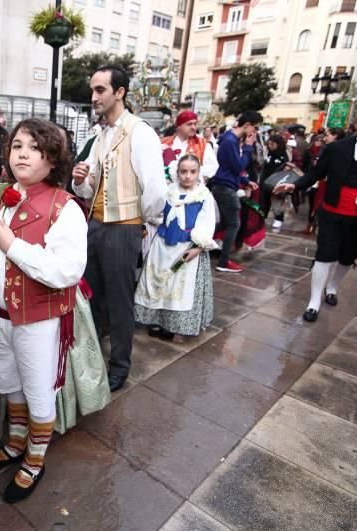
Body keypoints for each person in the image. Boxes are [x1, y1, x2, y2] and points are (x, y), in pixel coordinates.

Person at [0, 118, 86, 502]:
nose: (23, 153)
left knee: (38, 387)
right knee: (9, 380)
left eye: (35, 148)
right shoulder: (2, 195)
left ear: (53, 158)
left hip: (38, 318)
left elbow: (66, 270)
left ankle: (35, 458)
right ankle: (15, 440)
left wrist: (12, 246)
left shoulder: (64, 207)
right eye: (18, 145)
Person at [71, 64, 168, 393]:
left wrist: (139, 222)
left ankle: (120, 366)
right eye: (93, 90)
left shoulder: (140, 132)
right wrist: (80, 181)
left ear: (120, 92)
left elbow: (156, 191)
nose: (94, 96)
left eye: (100, 90)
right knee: (93, 297)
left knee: (119, 301)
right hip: (95, 226)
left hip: (123, 230)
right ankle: (95, 358)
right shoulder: (100, 135)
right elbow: (90, 190)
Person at [275, 106, 357, 322]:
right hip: (332, 212)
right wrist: (295, 186)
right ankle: (314, 302)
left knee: (347, 256)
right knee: (324, 255)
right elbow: (316, 172)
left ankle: (332, 287)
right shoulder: (337, 148)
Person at [135, 154, 217, 339]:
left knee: (178, 287)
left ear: (198, 173)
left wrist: (198, 247)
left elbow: (207, 223)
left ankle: (173, 325)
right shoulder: (168, 192)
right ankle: (156, 321)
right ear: (177, 172)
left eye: (192, 172)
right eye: (183, 171)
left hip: (187, 248)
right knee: (159, 283)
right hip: (162, 246)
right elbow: (156, 214)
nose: (188, 176)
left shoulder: (204, 196)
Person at [208, 110, 262, 273]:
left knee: (225, 223)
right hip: (225, 188)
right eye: (255, 128)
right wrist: (247, 148)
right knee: (234, 224)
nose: (255, 133)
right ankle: (223, 261)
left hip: (225, 185)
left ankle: (201, 244)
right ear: (247, 125)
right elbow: (238, 166)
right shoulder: (231, 141)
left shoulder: (230, 139)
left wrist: (246, 181)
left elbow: (230, 169)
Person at [160, 110, 219, 182]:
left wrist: (191, 173)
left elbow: (213, 166)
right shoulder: (164, 142)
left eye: (195, 124)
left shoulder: (203, 144)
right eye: (189, 124)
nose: (193, 127)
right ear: (179, 126)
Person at [259, 134, 291, 229]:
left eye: (272, 144)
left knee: (277, 202)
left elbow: (286, 169)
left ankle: (279, 219)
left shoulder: (284, 155)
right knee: (264, 201)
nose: (270, 146)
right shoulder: (268, 153)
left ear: (278, 144)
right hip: (265, 181)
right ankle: (262, 217)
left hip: (277, 182)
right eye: (269, 144)